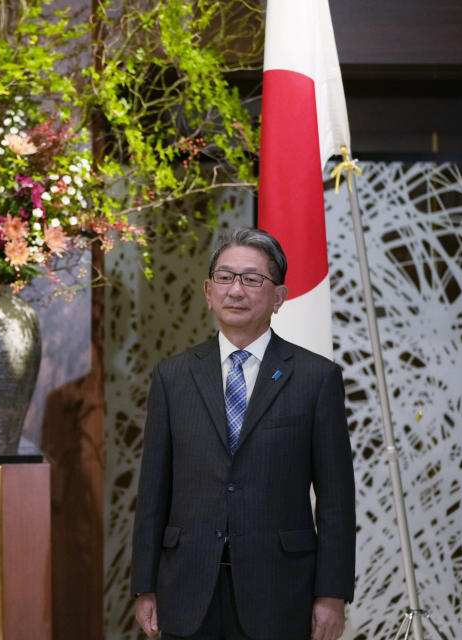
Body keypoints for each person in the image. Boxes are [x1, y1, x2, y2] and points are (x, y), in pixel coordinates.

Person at [131, 228, 355, 640]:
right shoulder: (172, 377)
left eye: (252, 279)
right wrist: (144, 585)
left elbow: (337, 501)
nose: (236, 290)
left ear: (279, 297)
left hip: (281, 589)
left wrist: (332, 594)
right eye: (225, 277)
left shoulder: (316, 378)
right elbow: (153, 491)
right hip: (187, 587)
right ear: (208, 290)